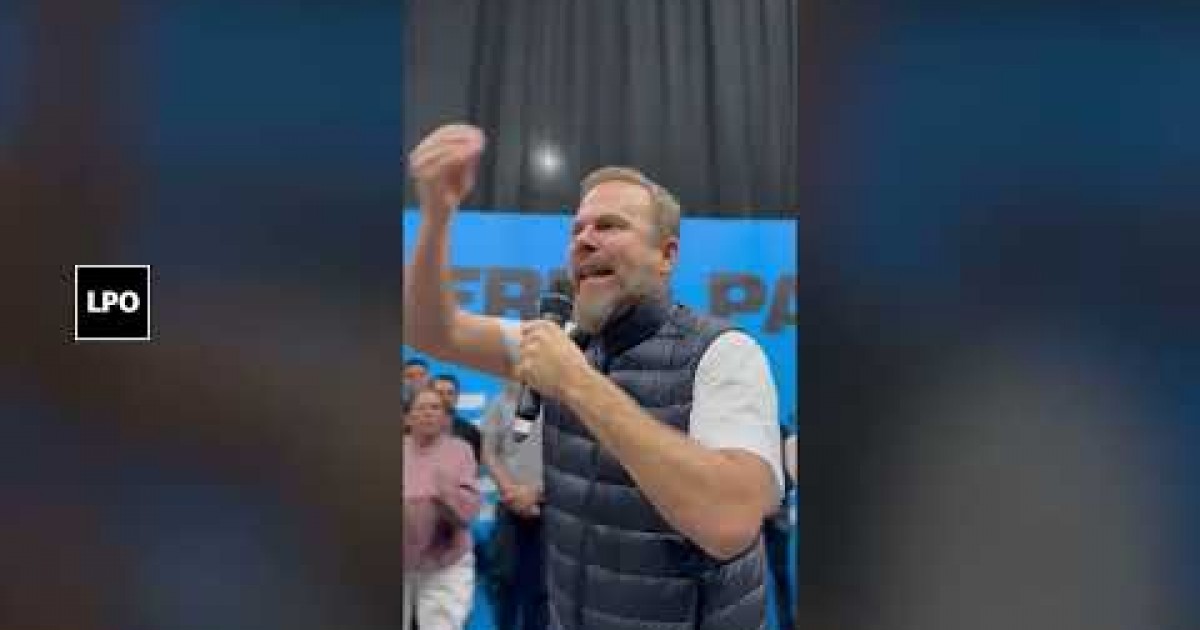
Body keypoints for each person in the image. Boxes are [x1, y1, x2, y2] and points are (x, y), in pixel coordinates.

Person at [404, 123, 783, 630]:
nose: (584, 240)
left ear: (666, 255)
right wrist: (437, 214)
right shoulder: (562, 343)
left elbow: (729, 522)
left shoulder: (725, 354)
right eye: (577, 229)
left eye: (609, 226)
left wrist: (577, 383)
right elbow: (434, 330)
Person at [403, 386, 481, 630]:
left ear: (446, 418)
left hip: (446, 560)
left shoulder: (460, 450)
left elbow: (467, 514)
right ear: (407, 418)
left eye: (435, 408)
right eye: (421, 408)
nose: (428, 413)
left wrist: (447, 497)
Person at [480, 380, 548, 630]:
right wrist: (511, 492)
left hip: (552, 509)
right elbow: (489, 453)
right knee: (504, 582)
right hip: (509, 506)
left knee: (544, 587)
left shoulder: (563, 406)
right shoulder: (500, 403)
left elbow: (572, 459)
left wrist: (537, 493)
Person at [763, 422, 797, 630]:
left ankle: (787, 624)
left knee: (780, 573)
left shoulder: (781, 431)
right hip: (757, 515)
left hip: (776, 514)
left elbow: (792, 472)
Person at [433, 374, 483, 464]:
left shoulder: (471, 432)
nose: (445, 398)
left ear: (457, 397)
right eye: (439, 393)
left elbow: (476, 465)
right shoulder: (415, 429)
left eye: (450, 393)